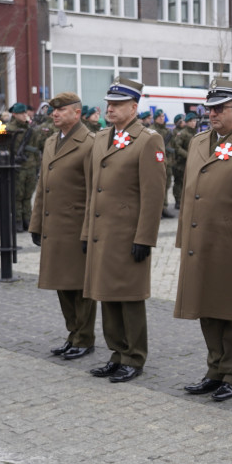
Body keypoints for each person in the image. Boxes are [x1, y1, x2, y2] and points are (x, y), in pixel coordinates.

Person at [174, 81, 232, 402]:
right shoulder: (201, 142)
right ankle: (214, 369)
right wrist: (182, 235)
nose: (211, 114)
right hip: (201, 239)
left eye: (219, 109)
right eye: (209, 108)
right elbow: (189, 192)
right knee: (206, 307)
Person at [82, 79, 165, 383]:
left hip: (128, 235)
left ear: (134, 107)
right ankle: (116, 353)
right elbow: (94, 190)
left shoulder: (147, 140)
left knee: (129, 297)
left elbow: (153, 194)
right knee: (106, 295)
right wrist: (86, 232)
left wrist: (145, 237)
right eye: (109, 103)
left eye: (117, 104)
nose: (110, 109)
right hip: (103, 233)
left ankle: (134, 356)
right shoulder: (102, 137)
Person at [29, 92, 97, 361]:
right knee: (60, 283)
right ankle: (73, 333)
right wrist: (36, 224)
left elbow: (95, 190)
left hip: (76, 225)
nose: (55, 113)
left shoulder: (90, 143)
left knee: (79, 285)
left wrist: (89, 230)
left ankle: (85, 337)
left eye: (62, 110)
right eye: (53, 110)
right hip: (54, 225)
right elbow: (42, 185)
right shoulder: (50, 142)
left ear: (77, 113)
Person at [7, 103, 41, 232]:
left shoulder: (30, 129)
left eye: (25, 113)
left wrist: (37, 165)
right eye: (22, 113)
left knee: (28, 195)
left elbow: (36, 146)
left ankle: (28, 219)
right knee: (17, 196)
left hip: (30, 166)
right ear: (14, 114)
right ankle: (17, 220)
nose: (24, 115)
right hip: (17, 166)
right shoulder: (9, 129)